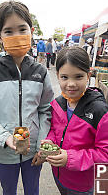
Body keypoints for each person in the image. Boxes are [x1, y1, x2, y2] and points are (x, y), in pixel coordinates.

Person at [0, 0, 54, 195]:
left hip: (34, 152)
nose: (17, 36)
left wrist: (43, 144)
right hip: (3, 153)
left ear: (31, 31)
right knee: (8, 190)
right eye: (8, 31)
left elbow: (46, 110)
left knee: (32, 190)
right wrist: (4, 138)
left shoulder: (40, 72)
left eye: (22, 29)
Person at [40, 47, 108, 195]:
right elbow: (54, 130)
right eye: (65, 77)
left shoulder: (100, 110)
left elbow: (105, 154)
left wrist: (70, 159)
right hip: (60, 177)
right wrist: (50, 140)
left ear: (88, 75)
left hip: (85, 185)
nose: (71, 84)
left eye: (78, 77)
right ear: (57, 75)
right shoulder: (57, 104)